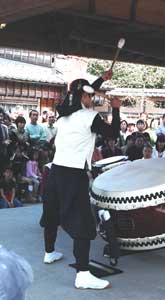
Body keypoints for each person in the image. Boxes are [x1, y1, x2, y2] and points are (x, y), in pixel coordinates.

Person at [41, 70, 121, 290]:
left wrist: (102, 80)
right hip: (73, 174)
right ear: (85, 96)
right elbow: (113, 133)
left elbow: (83, 90)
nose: (92, 98)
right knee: (83, 223)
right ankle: (83, 274)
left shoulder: (63, 116)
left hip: (55, 172)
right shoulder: (89, 117)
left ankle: (49, 253)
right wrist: (115, 107)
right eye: (90, 95)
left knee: (52, 214)